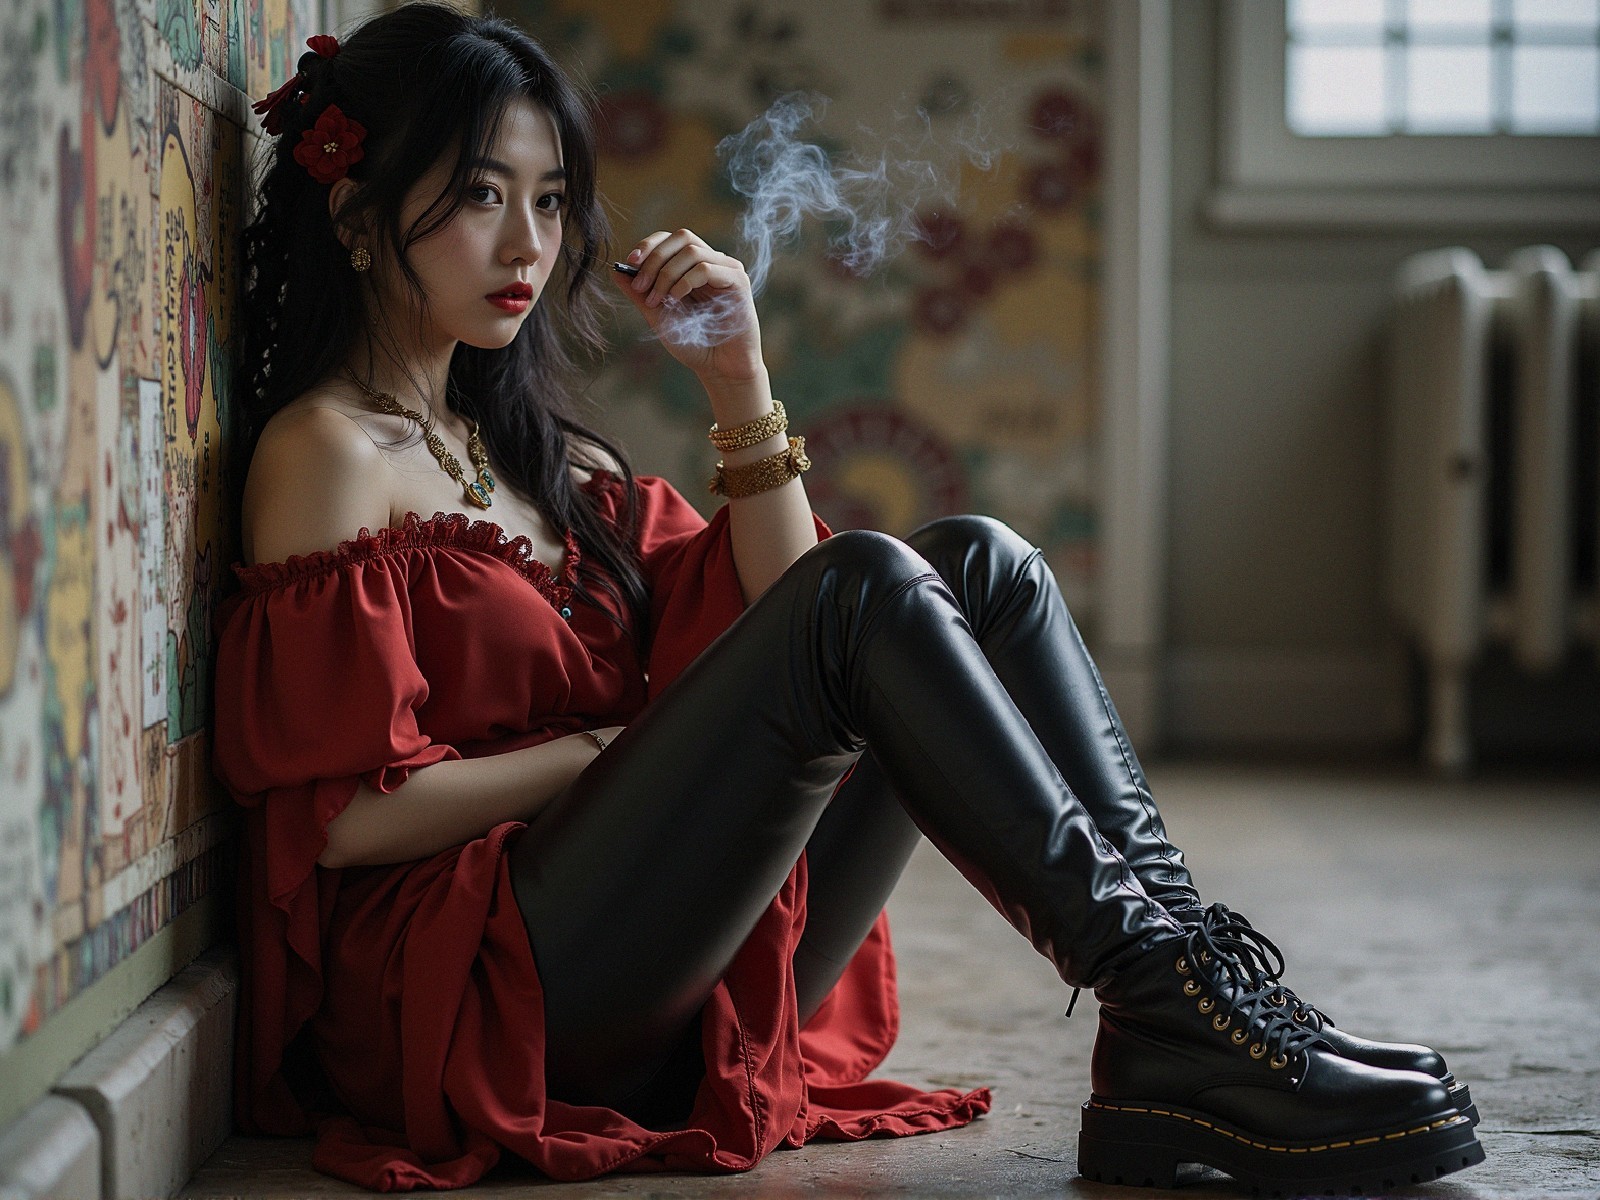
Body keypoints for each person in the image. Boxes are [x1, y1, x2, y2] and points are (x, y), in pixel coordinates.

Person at [212, 3, 1484, 1192]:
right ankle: (1173, 1011)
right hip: (479, 996)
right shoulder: (327, 453)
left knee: (974, 560)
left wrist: (737, 378)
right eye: (481, 194)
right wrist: (605, 753)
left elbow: (792, 614)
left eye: (549, 199)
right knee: (870, 580)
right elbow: (347, 825)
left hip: (653, 961)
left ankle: (1187, 1001)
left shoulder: (547, 458)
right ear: (361, 216)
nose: (529, 243)